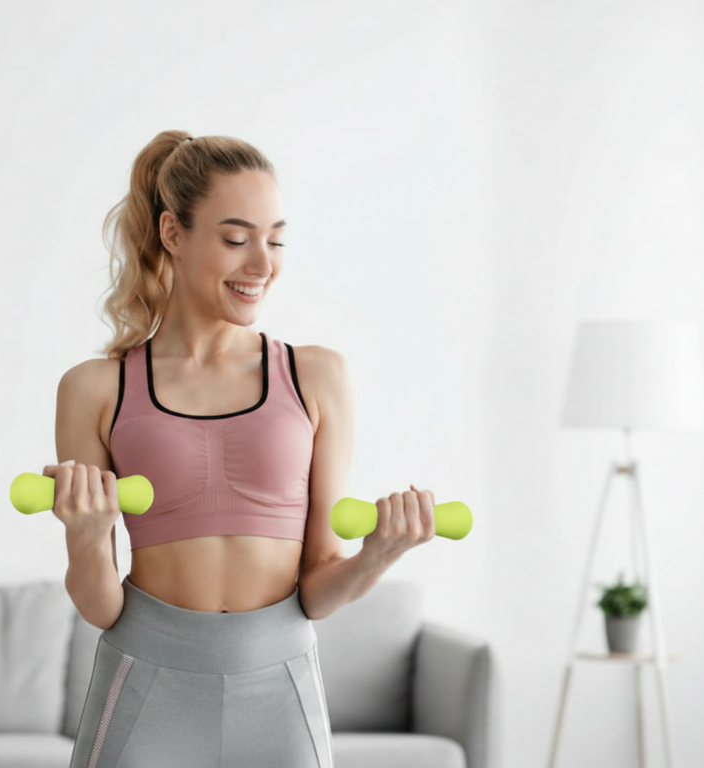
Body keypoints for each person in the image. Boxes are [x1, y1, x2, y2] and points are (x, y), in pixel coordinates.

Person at [44, 130, 438, 768]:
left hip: (279, 688)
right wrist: (88, 537)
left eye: (275, 241)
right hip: (144, 682)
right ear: (173, 234)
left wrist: (378, 554)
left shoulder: (316, 377)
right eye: (236, 239)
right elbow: (100, 606)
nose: (262, 264)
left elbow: (316, 590)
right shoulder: (95, 388)